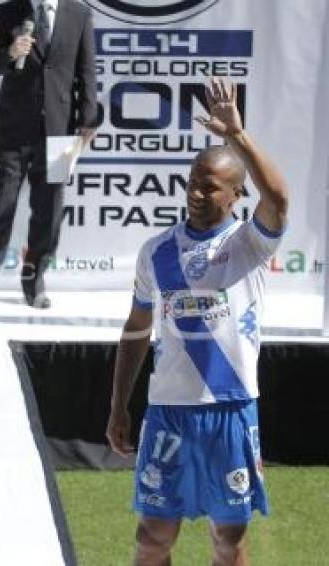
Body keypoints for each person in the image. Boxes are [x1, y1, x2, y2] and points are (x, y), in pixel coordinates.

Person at [105, 78, 289, 566]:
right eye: (193, 181)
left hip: (229, 408)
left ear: (235, 194)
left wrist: (239, 139)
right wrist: (119, 405)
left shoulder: (250, 243)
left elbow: (279, 199)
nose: (197, 192)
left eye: (210, 185)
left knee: (228, 541)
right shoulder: (157, 251)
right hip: (168, 409)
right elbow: (136, 329)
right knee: (151, 539)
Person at [0, 0, 97, 309]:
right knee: (0, 206)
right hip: (13, 132)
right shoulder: (7, 12)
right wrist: (10, 53)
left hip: (62, 132)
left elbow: (86, 70)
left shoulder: (79, 13)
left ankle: (34, 283)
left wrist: (87, 123)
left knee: (50, 212)